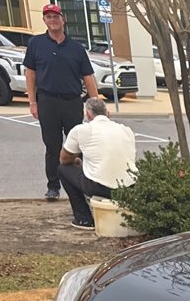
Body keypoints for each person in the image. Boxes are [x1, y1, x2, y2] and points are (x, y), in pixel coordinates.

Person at [23, 3, 98, 202]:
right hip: (48, 101)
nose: (52, 20)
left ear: (62, 19)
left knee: (78, 146)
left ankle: (83, 185)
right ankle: (53, 186)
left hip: (72, 101)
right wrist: (32, 101)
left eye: (55, 16)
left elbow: (88, 76)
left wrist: (96, 104)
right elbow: (30, 74)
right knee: (52, 146)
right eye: (48, 17)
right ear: (44, 21)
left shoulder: (76, 48)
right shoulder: (36, 44)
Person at [58, 97, 137, 229]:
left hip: (99, 186)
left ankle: (83, 218)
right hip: (129, 185)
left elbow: (64, 159)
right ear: (108, 113)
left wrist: (77, 160)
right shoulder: (126, 130)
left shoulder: (81, 130)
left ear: (88, 114)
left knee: (63, 170)